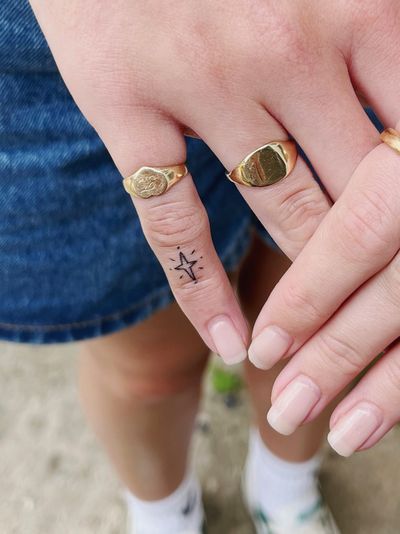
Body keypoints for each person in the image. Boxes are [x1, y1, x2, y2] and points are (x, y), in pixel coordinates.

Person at [3, 1, 400, 532]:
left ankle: (285, 486)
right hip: (67, 52)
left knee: (321, 323)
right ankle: (165, 511)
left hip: (353, 30)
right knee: (148, 362)